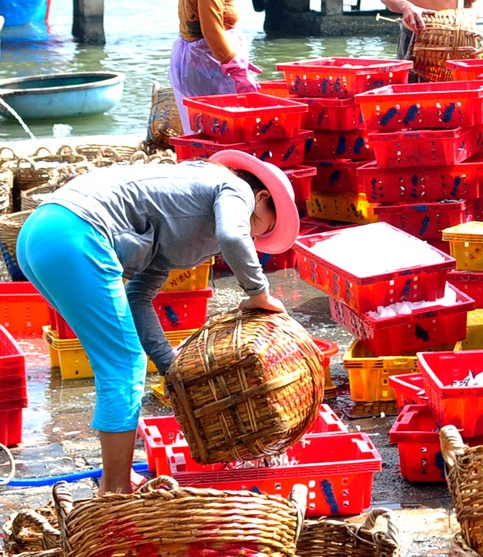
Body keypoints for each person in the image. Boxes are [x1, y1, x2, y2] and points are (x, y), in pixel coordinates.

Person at [15, 153, 301, 491]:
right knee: (124, 366)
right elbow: (233, 236)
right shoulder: (235, 187)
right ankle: (116, 490)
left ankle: (118, 476)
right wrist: (258, 292)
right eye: (261, 228)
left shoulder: (183, 213)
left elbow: (138, 297)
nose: (253, 239)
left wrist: (170, 365)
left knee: (117, 360)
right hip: (77, 232)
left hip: (40, 234)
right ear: (262, 198)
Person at [170, 0, 261, 128]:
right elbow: (211, 27)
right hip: (208, 64)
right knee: (223, 127)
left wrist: (238, 60)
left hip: (193, 60)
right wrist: (233, 63)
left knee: (200, 126)